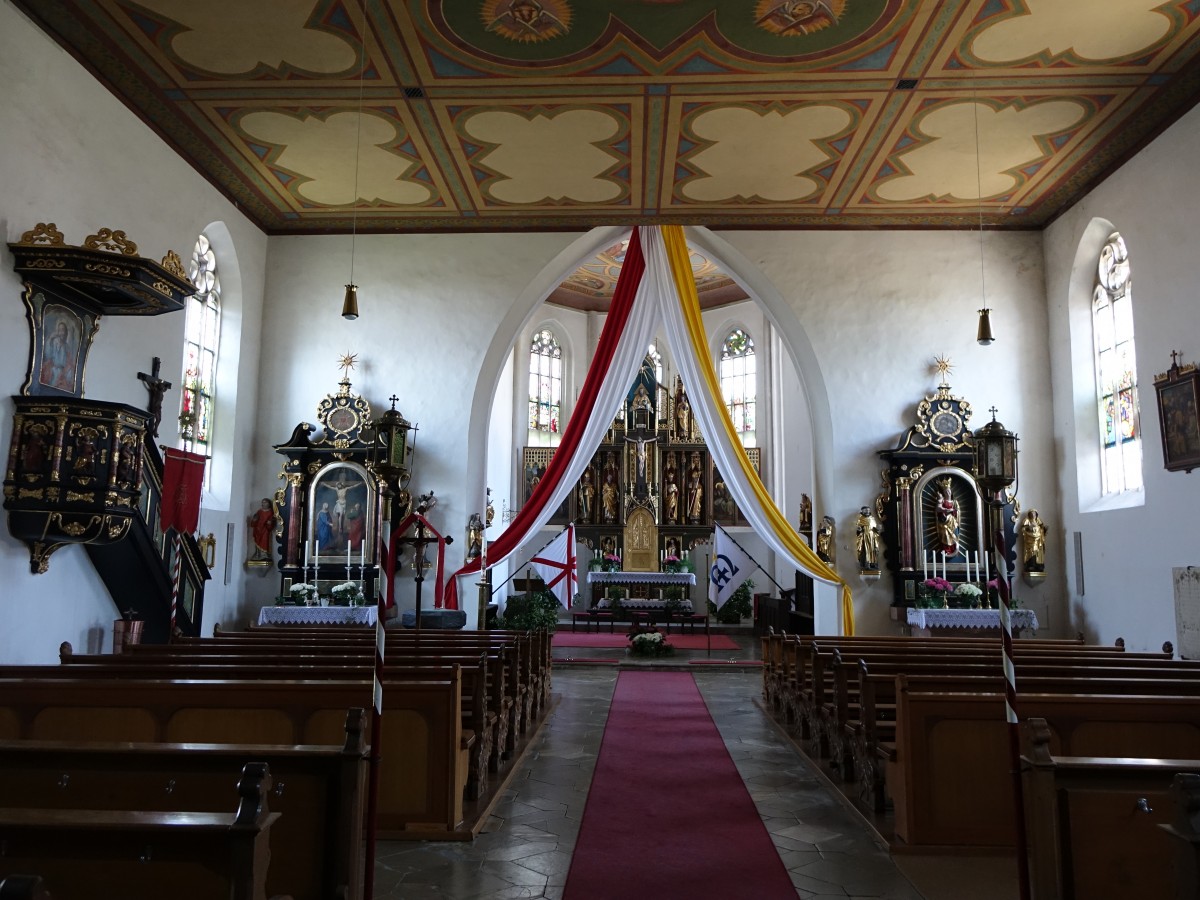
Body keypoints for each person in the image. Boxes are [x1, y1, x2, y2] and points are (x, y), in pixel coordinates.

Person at [934, 478, 960, 556]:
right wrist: (946, 510)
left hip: (953, 522)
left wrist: (954, 511)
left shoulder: (954, 502)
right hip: (944, 522)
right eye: (946, 491)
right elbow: (938, 509)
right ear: (944, 492)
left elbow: (958, 512)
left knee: (954, 535)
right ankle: (946, 550)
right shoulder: (941, 500)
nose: (948, 492)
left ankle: (953, 549)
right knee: (945, 533)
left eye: (949, 491)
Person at [686, 457, 703, 523]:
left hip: (697, 501)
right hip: (692, 501)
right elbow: (689, 494)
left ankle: (696, 516)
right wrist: (692, 490)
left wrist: (698, 490)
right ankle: (692, 516)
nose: (695, 480)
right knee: (692, 506)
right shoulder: (690, 484)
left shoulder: (699, 485)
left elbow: (701, 495)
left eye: (696, 478)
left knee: (697, 506)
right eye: (694, 479)